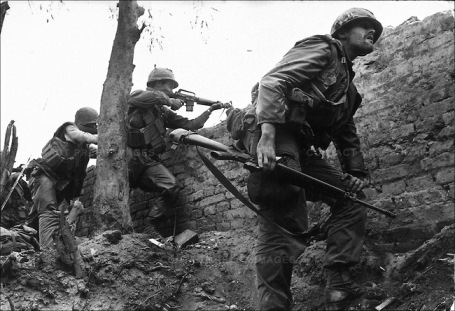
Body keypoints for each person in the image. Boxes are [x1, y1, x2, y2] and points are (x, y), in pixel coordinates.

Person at [251, 8, 383, 310]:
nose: (371, 32)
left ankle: (338, 283)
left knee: (352, 199)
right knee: (284, 210)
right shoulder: (324, 48)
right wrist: (267, 136)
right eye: (363, 26)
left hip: (300, 145)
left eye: (374, 29)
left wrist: (356, 172)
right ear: (342, 33)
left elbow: (346, 132)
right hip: (276, 131)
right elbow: (272, 82)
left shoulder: (349, 91)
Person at [126, 67, 229, 237]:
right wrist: (168, 100)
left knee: (171, 186)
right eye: (169, 85)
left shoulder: (162, 112)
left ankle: (151, 226)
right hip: (128, 157)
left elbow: (191, 125)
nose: (172, 90)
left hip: (148, 160)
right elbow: (139, 98)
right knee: (120, 193)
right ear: (157, 83)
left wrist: (210, 110)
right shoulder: (138, 97)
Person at [28, 107, 98, 249]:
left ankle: (33, 244)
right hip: (44, 175)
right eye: (91, 126)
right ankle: (47, 251)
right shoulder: (70, 129)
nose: (93, 129)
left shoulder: (84, 146)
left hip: (61, 185)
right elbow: (82, 136)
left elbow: (94, 154)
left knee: (39, 219)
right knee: (47, 211)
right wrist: (101, 138)